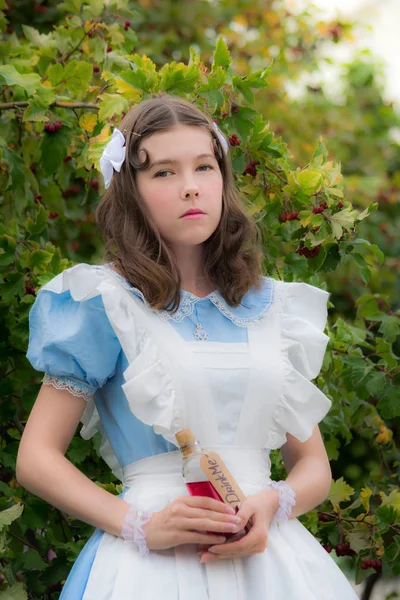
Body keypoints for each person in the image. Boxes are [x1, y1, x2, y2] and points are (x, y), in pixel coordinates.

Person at [16, 94, 359, 599]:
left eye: (204, 166)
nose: (191, 187)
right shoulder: (104, 301)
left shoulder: (270, 308)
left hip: (273, 563)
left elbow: (313, 467)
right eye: (163, 173)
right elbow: (36, 458)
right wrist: (137, 524)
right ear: (129, 191)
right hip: (148, 568)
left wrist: (274, 503)